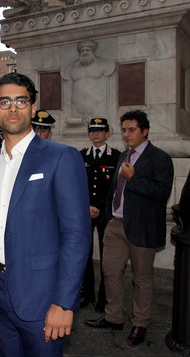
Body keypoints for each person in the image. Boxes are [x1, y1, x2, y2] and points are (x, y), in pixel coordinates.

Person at [0, 72, 91, 357]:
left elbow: (76, 234)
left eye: (21, 101)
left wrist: (64, 302)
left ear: (32, 108)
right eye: (5, 101)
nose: (12, 108)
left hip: (42, 296)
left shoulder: (61, 157)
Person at [85, 110, 173, 346]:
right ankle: (114, 317)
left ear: (145, 131)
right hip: (115, 225)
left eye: (132, 130)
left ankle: (139, 323)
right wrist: (108, 217)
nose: (127, 134)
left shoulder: (159, 158)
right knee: (111, 272)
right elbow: (114, 190)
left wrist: (134, 178)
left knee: (142, 279)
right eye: (124, 130)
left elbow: (161, 193)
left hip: (141, 229)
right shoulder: (123, 155)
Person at [79, 118, 120, 311]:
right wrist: (86, 205)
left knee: (107, 257)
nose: (95, 134)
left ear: (107, 133)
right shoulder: (81, 155)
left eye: (99, 130)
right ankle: (86, 294)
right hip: (85, 212)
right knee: (84, 255)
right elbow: (77, 184)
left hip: (106, 214)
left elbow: (115, 187)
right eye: (92, 130)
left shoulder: (116, 157)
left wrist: (100, 206)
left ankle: (104, 299)